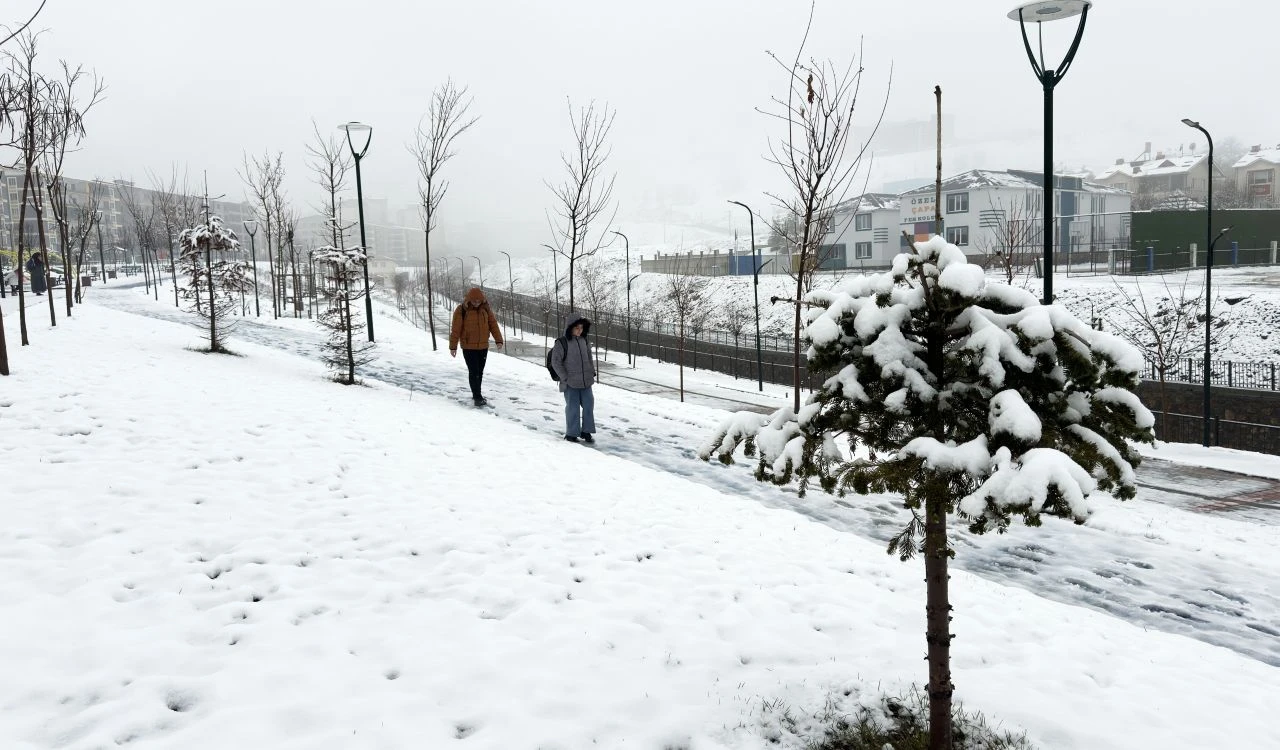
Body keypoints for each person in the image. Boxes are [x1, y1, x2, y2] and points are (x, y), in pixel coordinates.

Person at [449, 287, 504, 406]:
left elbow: (493, 325)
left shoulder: (486, 309)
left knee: (480, 371)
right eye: (474, 301)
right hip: (468, 347)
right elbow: (455, 329)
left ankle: (477, 393)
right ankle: (477, 396)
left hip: (483, 346)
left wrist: (498, 340)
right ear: (469, 299)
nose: (476, 303)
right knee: (474, 372)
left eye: (479, 301)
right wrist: (453, 347)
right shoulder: (461, 310)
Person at [551, 314, 597, 443]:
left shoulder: (584, 341)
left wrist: (591, 372)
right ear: (570, 327)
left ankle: (586, 431)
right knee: (573, 408)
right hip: (570, 383)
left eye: (581, 328)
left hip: (586, 381)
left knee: (588, 406)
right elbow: (556, 362)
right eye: (576, 327)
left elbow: (589, 358)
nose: (579, 330)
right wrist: (565, 377)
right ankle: (571, 433)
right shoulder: (561, 342)